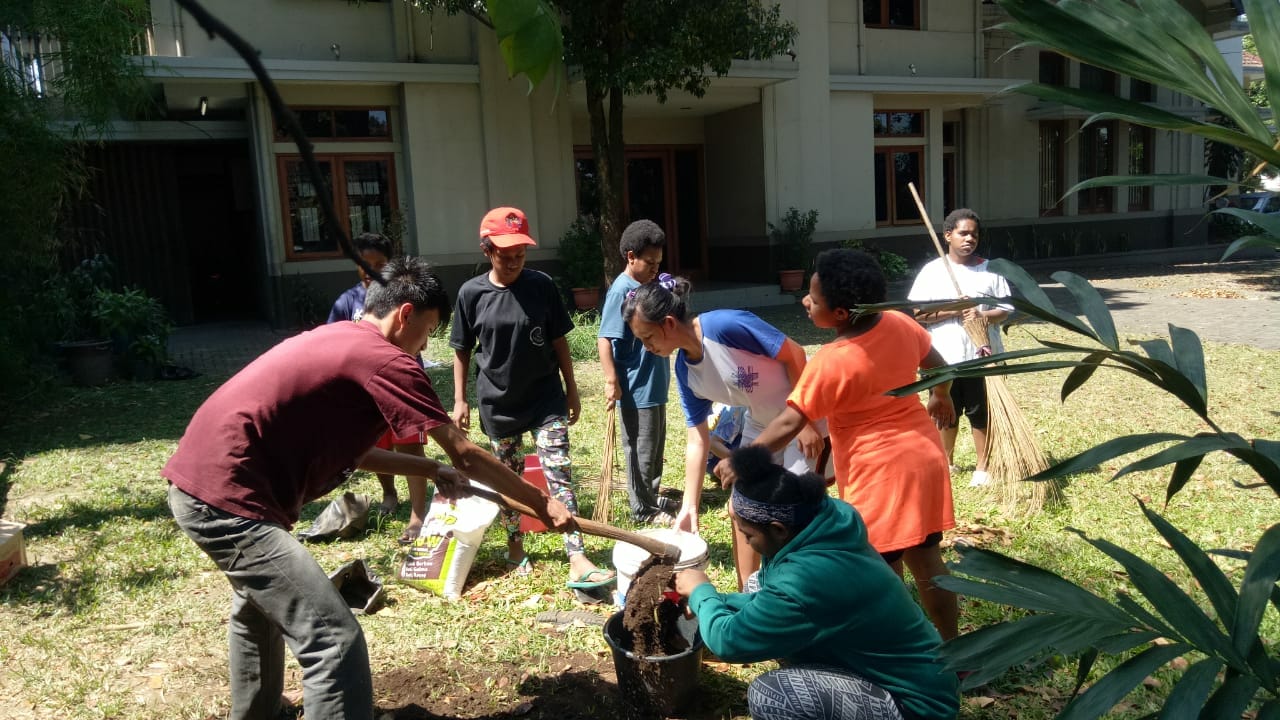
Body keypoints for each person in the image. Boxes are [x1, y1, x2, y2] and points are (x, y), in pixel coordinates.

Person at [164, 256, 574, 720]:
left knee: (257, 609)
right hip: (229, 499)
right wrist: (542, 503)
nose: (425, 345)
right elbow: (464, 451)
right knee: (333, 640)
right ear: (405, 315)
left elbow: (352, 452)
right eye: (427, 331)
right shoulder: (388, 359)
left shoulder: (342, 338)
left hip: (204, 481)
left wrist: (431, 470)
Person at [744, 248, 961, 641]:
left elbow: (791, 421)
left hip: (880, 473)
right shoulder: (899, 322)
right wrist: (940, 395)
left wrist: (746, 458)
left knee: (881, 576)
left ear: (841, 313)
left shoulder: (832, 360)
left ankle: (901, 656)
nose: (806, 302)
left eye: (814, 299)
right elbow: (939, 365)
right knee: (928, 561)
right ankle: (954, 648)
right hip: (924, 456)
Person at [673, 445, 959, 720]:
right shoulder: (816, 521)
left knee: (773, 695)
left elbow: (728, 641)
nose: (746, 542)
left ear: (778, 529)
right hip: (889, 671)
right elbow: (766, 602)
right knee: (757, 585)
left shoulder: (810, 578)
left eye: (748, 535)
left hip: (916, 704)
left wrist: (702, 591)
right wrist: (719, 601)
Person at [450, 206, 615, 592]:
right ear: (487, 250)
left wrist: (572, 389)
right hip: (498, 403)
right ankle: (515, 547)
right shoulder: (471, 294)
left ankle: (577, 555)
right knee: (509, 480)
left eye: (520, 255)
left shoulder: (542, 286)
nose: (513, 262)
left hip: (545, 398)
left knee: (559, 473)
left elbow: (559, 341)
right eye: (505, 255)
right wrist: (459, 400)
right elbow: (461, 349)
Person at [624, 276, 825, 591]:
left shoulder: (724, 326)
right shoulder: (685, 371)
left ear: (668, 323)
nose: (647, 347)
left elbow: (796, 355)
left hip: (804, 411)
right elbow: (697, 439)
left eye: (648, 337)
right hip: (761, 422)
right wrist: (689, 506)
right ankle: (747, 592)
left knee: (790, 511)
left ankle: (800, 591)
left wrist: (807, 420)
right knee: (739, 507)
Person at [326, 231, 429, 541]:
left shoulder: (404, 298)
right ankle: (389, 493)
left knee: (410, 444)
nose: (370, 270)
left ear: (391, 264)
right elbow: (334, 342)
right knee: (376, 444)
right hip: (366, 392)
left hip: (402, 386)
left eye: (379, 264)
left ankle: (418, 514)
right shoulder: (347, 301)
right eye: (364, 264)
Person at [908, 209, 1012, 487]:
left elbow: (1004, 310)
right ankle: (946, 461)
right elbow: (919, 313)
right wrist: (954, 310)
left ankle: (983, 466)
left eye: (974, 234)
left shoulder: (990, 270)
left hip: (982, 355)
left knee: (981, 411)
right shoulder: (932, 272)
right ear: (948, 235)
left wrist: (981, 314)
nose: (969, 239)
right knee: (945, 410)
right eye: (963, 233)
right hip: (943, 357)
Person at [596, 219, 675, 525]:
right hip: (635, 386)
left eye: (659, 263)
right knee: (640, 448)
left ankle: (650, 496)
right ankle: (642, 510)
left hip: (654, 383)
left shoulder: (646, 287)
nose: (655, 268)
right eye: (650, 262)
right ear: (631, 257)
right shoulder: (622, 291)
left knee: (654, 446)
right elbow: (605, 338)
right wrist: (611, 380)